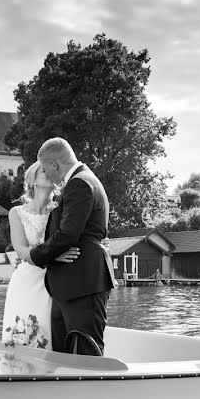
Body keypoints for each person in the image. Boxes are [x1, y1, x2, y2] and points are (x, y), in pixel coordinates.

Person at [28, 137, 117, 355]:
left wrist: (35, 256)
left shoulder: (80, 183)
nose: (47, 175)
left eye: (46, 170)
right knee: (65, 355)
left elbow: (68, 234)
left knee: (86, 353)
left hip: (82, 283)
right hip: (73, 285)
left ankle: (89, 390)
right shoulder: (83, 180)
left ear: (53, 165)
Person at [1, 161, 75, 349]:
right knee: (21, 330)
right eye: (44, 170)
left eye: (52, 170)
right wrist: (53, 256)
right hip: (26, 281)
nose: (49, 173)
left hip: (54, 280)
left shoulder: (61, 210)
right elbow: (21, 250)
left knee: (48, 333)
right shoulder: (16, 212)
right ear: (32, 179)